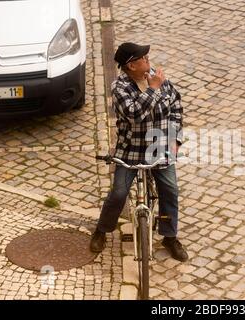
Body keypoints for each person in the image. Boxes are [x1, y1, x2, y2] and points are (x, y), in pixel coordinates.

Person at [89, 42, 188, 262]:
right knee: (118, 193)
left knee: (170, 189)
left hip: (159, 149)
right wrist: (152, 89)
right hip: (130, 151)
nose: (148, 60)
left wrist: (175, 139)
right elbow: (134, 115)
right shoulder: (120, 88)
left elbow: (176, 107)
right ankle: (102, 230)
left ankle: (170, 236)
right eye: (144, 58)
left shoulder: (157, 77)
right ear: (132, 65)